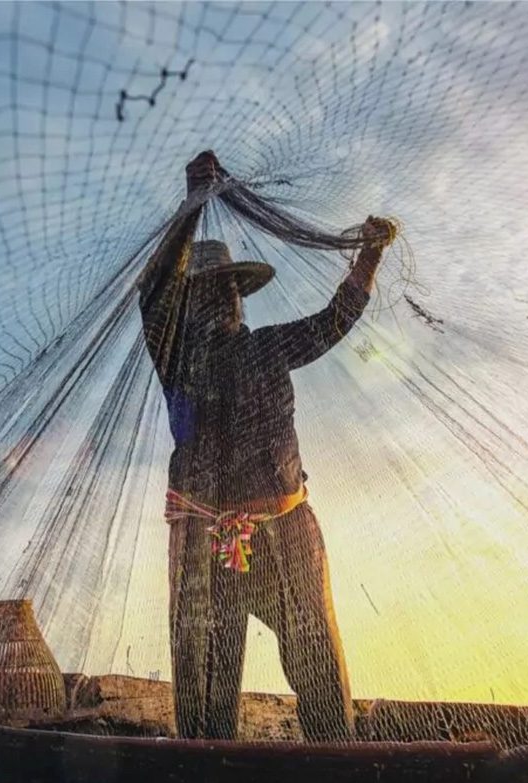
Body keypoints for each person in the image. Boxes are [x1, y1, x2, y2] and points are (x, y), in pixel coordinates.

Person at [137, 150, 393, 742]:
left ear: (239, 298)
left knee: (318, 665)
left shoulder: (269, 347)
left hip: (286, 529)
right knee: (207, 682)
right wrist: (190, 207)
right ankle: (206, 775)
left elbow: (338, 317)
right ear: (189, 303)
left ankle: (337, 768)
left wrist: (370, 256)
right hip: (205, 542)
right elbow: (152, 291)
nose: (224, 300)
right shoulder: (176, 358)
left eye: (229, 290)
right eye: (207, 292)